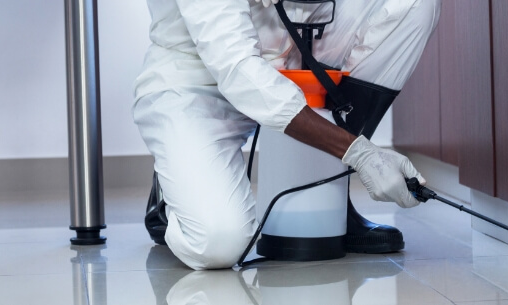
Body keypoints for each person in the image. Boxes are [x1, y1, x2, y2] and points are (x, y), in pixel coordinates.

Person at [134, 0, 441, 270]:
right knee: (219, 242)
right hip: (197, 83)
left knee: (413, 5)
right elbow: (235, 67)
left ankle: (327, 197)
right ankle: (170, 188)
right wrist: (359, 153)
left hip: (289, 60)